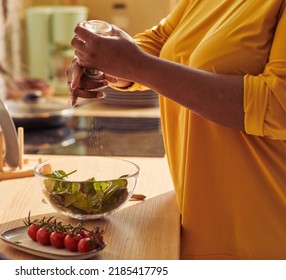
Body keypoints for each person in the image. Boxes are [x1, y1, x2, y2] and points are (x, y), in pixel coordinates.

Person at [66, 0, 286, 260]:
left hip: (261, 238)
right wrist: (108, 62)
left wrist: (136, 64)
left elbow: (276, 104)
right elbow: (162, 39)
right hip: (193, 219)